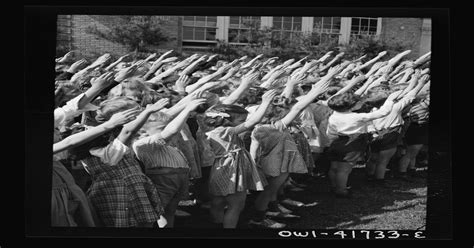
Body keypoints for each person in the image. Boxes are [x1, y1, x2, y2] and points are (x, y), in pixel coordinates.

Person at [199, 89, 277, 228]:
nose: (243, 123)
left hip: (220, 169)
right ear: (225, 120)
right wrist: (265, 102)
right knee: (236, 205)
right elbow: (254, 120)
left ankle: (217, 223)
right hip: (231, 169)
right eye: (241, 121)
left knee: (218, 201)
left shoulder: (212, 131)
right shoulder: (225, 131)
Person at [133, 97, 207, 228]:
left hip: (178, 178)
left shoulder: (164, 143)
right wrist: (187, 109)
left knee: (170, 211)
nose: (167, 130)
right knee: (157, 211)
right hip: (162, 179)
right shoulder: (142, 144)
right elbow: (171, 130)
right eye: (162, 128)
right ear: (142, 131)